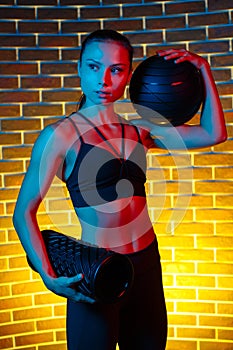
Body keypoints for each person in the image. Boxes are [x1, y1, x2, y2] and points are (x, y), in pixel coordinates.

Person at [13, 29, 227, 350]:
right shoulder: (60, 136)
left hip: (145, 265)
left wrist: (203, 70)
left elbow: (214, 133)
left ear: (128, 75)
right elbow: (24, 212)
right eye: (95, 67)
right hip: (98, 271)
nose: (105, 80)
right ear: (80, 69)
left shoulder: (140, 130)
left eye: (116, 70)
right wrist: (47, 275)